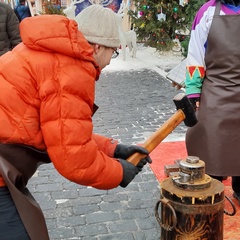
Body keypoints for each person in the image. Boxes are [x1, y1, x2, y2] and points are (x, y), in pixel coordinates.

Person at [0, 4, 152, 240]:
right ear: (97, 46)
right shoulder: (70, 68)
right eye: (113, 50)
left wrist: (112, 149)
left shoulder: (53, 53)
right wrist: (118, 172)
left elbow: (61, 130)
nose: (111, 60)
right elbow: (73, 160)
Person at [184, 0, 240, 204]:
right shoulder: (206, 13)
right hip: (215, 91)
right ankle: (212, 189)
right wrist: (192, 92)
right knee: (210, 140)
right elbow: (195, 55)